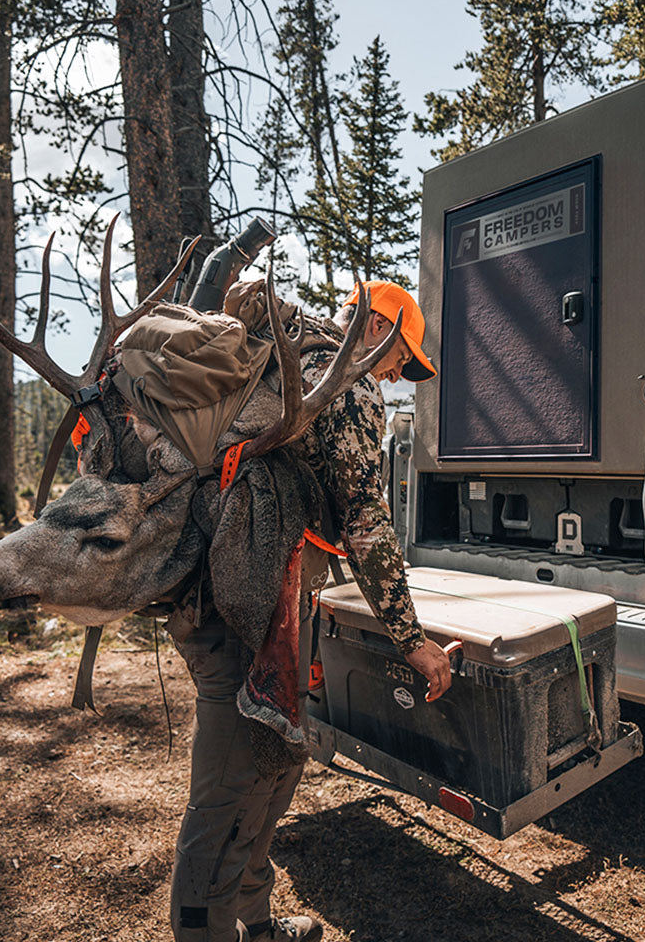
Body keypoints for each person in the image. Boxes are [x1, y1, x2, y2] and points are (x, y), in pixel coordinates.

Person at [167, 281, 452, 942]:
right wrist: (411, 637)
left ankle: (257, 924)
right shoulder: (344, 378)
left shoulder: (299, 364)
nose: (393, 372)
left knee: (276, 756)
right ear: (376, 322)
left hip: (244, 592)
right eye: (398, 356)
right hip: (248, 602)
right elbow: (366, 519)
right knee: (234, 778)